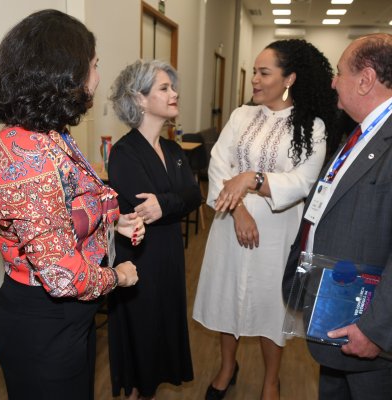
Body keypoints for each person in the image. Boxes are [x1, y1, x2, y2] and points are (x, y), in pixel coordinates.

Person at [0, 10, 144, 400]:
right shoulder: (31, 155)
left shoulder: (49, 135)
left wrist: (114, 223)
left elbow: (70, 208)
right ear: (67, 74)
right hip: (43, 326)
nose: (97, 75)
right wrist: (120, 277)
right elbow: (63, 276)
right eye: (93, 65)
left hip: (65, 320)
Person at [193, 39, 337, 400]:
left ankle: (271, 380)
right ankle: (227, 368)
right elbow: (219, 164)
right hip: (230, 223)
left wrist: (252, 179)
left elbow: (303, 181)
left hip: (276, 231)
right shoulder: (241, 116)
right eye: (254, 72)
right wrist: (238, 208)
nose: (254, 79)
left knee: (269, 304)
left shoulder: (312, 127)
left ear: (289, 78)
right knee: (227, 297)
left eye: (263, 72)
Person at [283, 33, 392, 400]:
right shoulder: (360, 133)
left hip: (367, 333)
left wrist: (377, 329)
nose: (332, 82)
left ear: (365, 80)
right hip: (334, 316)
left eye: (340, 72)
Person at [107, 59, 201, 400]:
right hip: (140, 263)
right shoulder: (124, 153)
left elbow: (195, 195)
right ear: (140, 98)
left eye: (172, 87)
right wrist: (173, 202)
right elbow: (148, 207)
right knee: (143, 342)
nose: (174, 93)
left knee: (161, 336)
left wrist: (167, 203)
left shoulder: (174, 149)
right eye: (164, 88)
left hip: (171, 257)